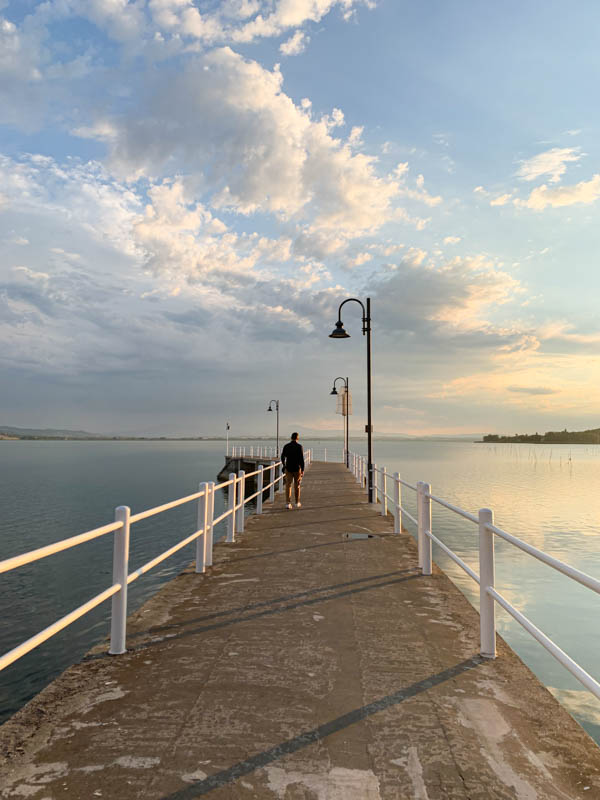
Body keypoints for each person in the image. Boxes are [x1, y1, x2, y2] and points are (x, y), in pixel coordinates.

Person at [281, 432, 304, 509]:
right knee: (297, 485)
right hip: (297, 469)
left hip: (288, 468)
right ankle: (297, 502)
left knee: (288, 485)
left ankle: (288, 503)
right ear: (297, 438)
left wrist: (284, 465)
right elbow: (301, 460)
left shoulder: (286, 446)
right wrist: (303, 470)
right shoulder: (299, 446)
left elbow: (282, 457)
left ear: (291, 437)